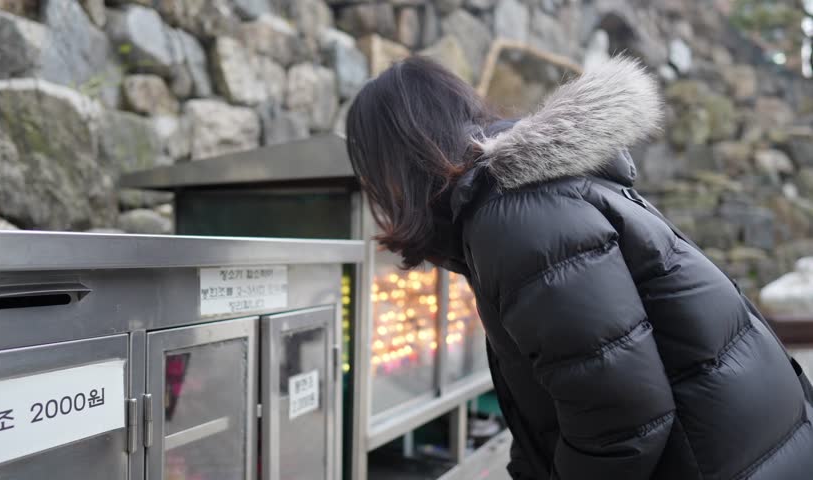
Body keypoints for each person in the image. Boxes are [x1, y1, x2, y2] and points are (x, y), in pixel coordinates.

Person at [345, 55, 813, 479]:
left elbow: (621, 415)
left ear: (396, 167)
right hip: (739, 444)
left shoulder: (514, 221)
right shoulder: (525, 200)